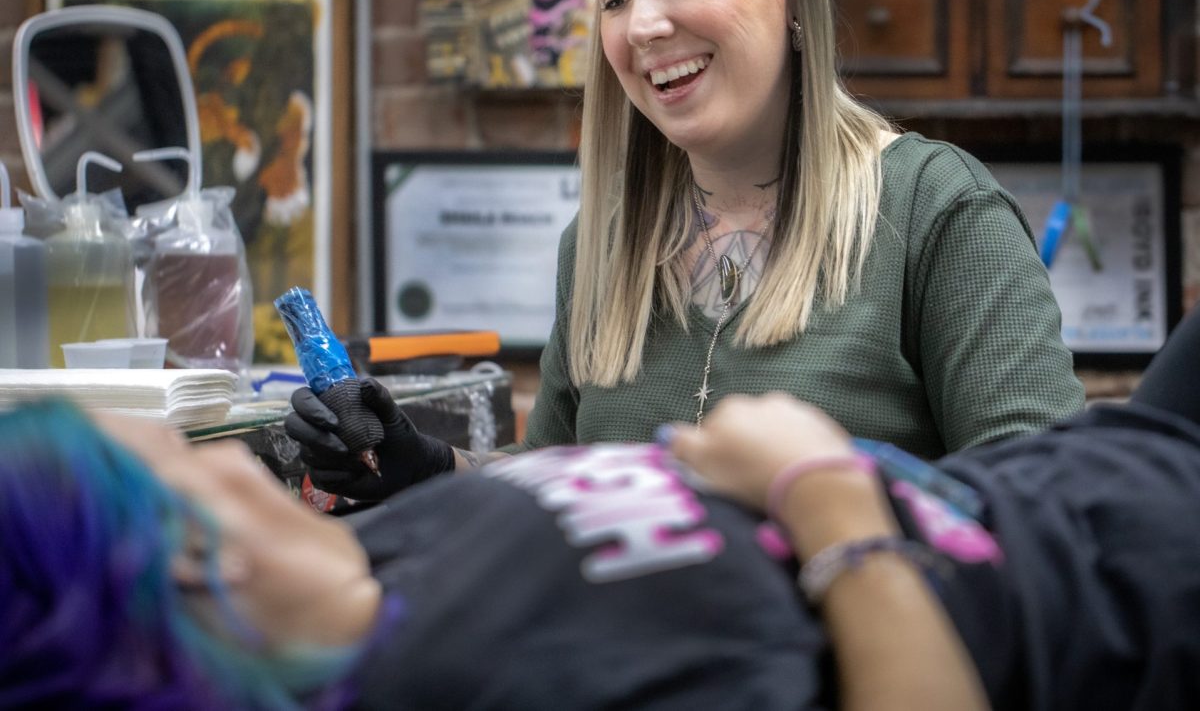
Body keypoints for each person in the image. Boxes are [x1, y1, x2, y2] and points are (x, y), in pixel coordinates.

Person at [287, 0, 1082, 500]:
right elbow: (562, 482)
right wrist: (423, 466)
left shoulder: (936, 210)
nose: (644, 25)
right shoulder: (601, 244)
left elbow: (1044, 506)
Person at [4, 308, 1200, 709]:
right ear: (196, 572)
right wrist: (825, 497)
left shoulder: (371, 574)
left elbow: (562, 544)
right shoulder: (483, 683)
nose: (214, 445)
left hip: (1121, 457)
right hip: (1136, 591)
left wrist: (419, 467)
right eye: (172, 450)